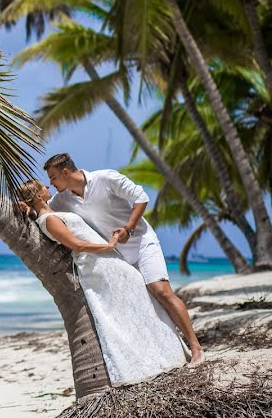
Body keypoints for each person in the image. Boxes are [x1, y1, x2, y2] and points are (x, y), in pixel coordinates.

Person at [19, 179, 187, 385]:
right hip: (98, 265)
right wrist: (108, 247)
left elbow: (40, 210)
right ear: (37, 195)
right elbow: (77, 244)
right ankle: (149, 358)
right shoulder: (48, 219)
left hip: (107, 262)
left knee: (140, 303)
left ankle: (169, 350)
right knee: (122, 312)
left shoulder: (49, 210)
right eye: (44, 185)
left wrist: (28, 206)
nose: (48, 185)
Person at [42, 153, 204, 365]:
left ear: (65, 172)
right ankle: (166, 351)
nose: (51, 183)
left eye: (53, 177)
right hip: (116, 255)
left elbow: (141, 196)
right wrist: (25, 206)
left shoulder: (105, 178)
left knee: (161, 292)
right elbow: (45, 209)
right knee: (140, 304)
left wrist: (128, 228)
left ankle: (196, 348)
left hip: (143, 242)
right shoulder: (62, 199)